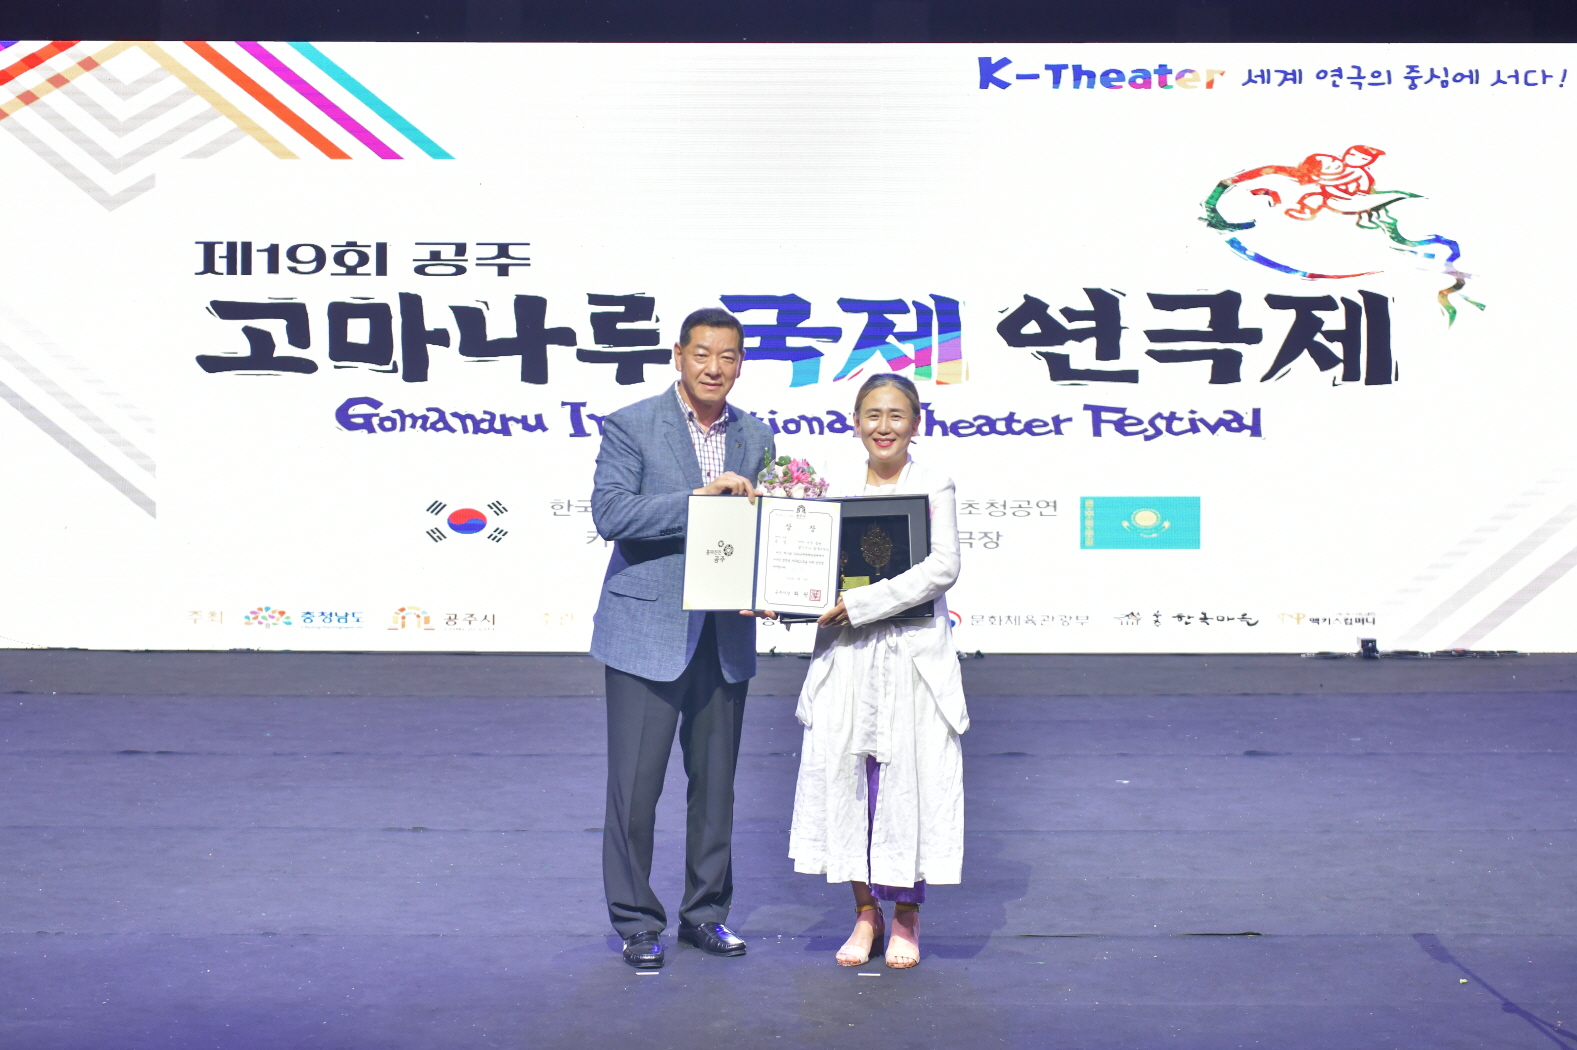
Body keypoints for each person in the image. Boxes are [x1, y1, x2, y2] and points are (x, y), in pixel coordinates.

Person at [589, 307, 776, 969]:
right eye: (702, 354)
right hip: (646, 632)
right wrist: (699, 499)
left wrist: (781, 583)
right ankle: (637, 922)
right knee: (635, 791)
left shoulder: (756, 435)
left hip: (725, 637)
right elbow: (611, 512)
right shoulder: (632, 424)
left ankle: (706, 915)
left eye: (727, 356)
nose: (713, 368)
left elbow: (765, 530)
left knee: (716, 789)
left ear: (740, 363)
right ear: (678, 355)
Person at [786, 373, 967, 969]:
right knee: (849, 782)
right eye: (872, 415)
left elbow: (942, 567)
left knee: (909, 783)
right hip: (848, 654)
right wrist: (779, 594)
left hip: (911, 654)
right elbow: (807, 563)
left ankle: (907, 916)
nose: (883, 427)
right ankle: (865, 912)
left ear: (916, 424)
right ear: (855, 422)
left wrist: (862, 603)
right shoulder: (833, 489)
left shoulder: (933, 483)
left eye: (896, 415)